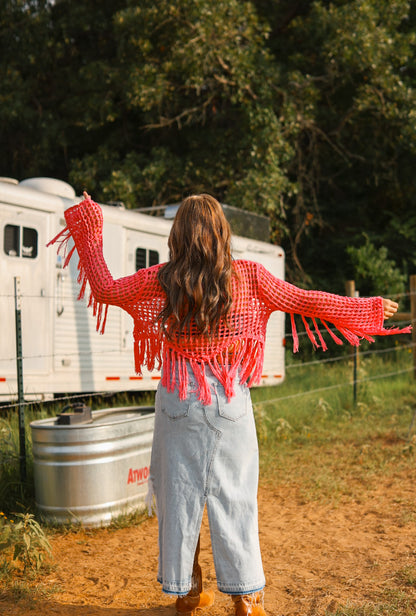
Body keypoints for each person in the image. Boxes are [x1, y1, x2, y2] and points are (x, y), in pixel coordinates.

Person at [48, 192, 409, 616]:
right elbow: (306, 300)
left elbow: (106, 290)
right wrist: (364, 309)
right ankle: (245, 599)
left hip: (177, 398)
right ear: (222, 233)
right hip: (230, 396)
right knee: (235, 496)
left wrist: (88, 226)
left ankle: (188, 591)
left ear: (177, 235)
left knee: (177, 496)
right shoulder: (251, 277)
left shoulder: (162, 280)